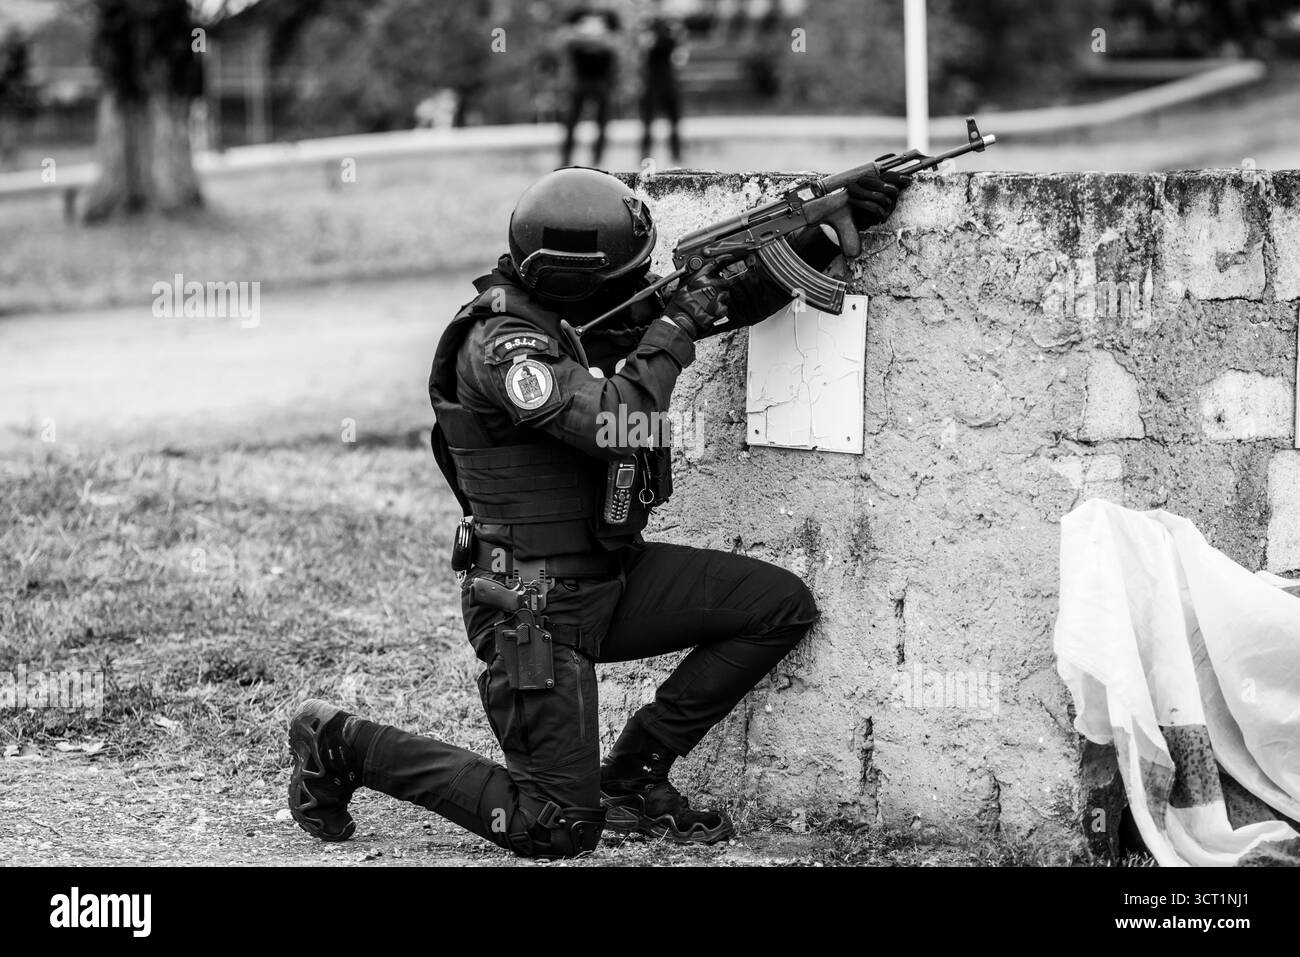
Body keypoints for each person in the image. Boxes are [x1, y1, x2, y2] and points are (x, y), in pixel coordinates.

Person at [287, 163, 911, 859]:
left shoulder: (571, 318)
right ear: (579, 277)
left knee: (777, 606)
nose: (638, 291)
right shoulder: (503, 349)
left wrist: (825, 229)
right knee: (554, 825)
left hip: (607, 578)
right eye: (624, 278)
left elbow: (729, 301)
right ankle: (339, 742)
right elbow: (621, 421)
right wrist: (674, 325)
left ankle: (633, 777)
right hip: (532, 606)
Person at [558, 5, 622, 168]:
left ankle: (597, 161)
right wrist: (600, 40)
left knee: (602, 123)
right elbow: (564, 38)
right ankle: (566, 159)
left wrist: (584, 38)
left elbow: (617, 43)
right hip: (581, 78)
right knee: (571, 122)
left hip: (603, 80)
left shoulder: (610, 14)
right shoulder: (578, 11)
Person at [637, 0, 686, 164]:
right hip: (652, 78)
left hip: (667, 77)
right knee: (648, 121)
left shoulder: (673, 26)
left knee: (674, 120)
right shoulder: (647, 25)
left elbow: (679, 56)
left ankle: (676, 154)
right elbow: (644, 48)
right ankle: (645, 154)